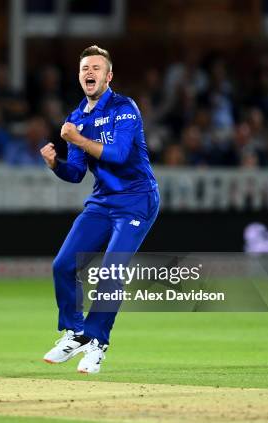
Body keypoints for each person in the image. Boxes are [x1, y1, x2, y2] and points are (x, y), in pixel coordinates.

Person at [39, 45, 159, 374]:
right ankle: (76, 332)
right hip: (102, 200)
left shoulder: (125, 108)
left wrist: (76, 140)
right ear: (79, 77)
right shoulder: (76, 118)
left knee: (111, 270)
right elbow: (76, 173)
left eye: (96, 68)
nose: (89, 73)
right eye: (84, 69)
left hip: (137, 198)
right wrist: (54, 164)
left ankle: (98, 342)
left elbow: (119, 155)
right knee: (63, 265)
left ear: (108, 76)